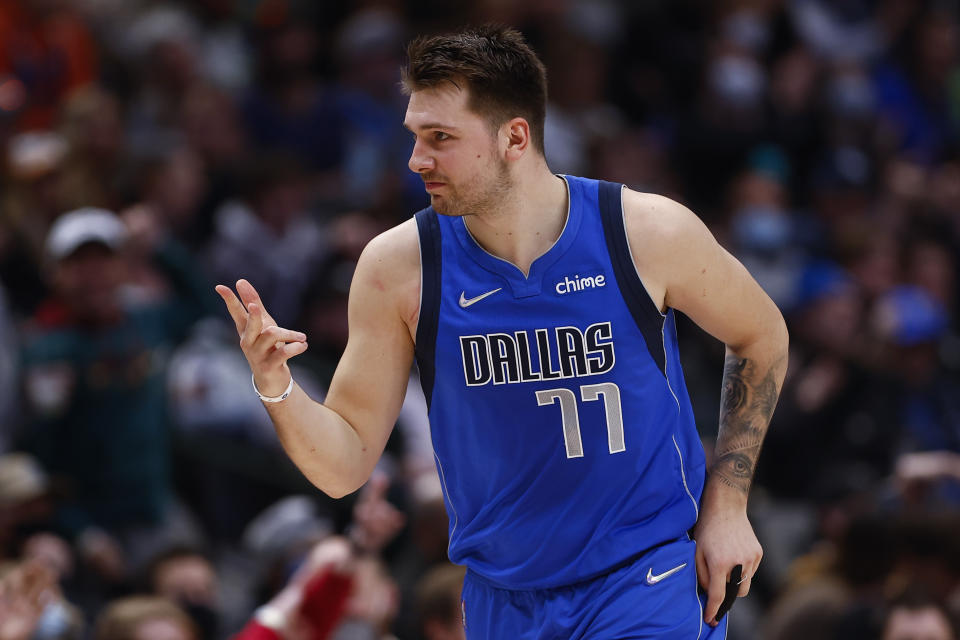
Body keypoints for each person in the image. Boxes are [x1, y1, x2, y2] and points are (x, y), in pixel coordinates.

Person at [216, 25, 789, 638]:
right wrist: (276, 385)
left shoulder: (644, 231)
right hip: (503, 599)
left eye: (440, 138)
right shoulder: (400, 267)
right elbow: (344, 464)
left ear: (514, 136)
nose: (416, 159)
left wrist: (727, 506)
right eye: (415, 136)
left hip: (646, 577)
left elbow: (762, 335)